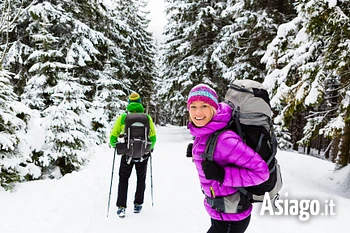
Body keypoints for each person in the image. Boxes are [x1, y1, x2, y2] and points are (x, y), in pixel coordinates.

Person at [187, 84, 270, 233]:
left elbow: (261, 172)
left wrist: (222, 174)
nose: (197, 112)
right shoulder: (208, 130)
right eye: (193, 106)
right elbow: (218, 156)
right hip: (221, 210)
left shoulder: (225, 140)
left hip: (232, 217)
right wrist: (197, 151)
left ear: (213, 107)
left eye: (204, 105)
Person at [110, 92, 156, 218]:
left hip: (127, 155)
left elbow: (113, 136)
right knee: (141, 179)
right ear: (140, 103)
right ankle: (138, 204)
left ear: (129, 104)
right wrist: (149, 149)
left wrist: (116, 146)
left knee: (123, 179)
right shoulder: (147, 118)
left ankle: (121, 207)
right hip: (143, 155)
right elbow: (153, 137)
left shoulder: (124, 117)